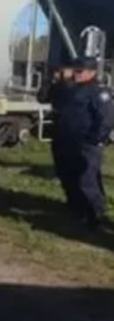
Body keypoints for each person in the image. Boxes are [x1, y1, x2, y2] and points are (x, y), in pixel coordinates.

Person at [53, 57, 111, 229]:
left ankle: (95, 214)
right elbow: (46, 98)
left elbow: (106, 118)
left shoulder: (98, 91)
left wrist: (95, 139)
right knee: (67, 174)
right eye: (74, 70)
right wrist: (58, 80)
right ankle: (76, 207)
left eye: (79, 71)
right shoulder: (69, 88)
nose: (75, 74)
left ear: (91, 72)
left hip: (86, 142)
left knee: (86, 178)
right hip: (66, 140)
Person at [37, 63, 75, 206]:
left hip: (71, 125)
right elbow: (42, 98)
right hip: (58, 123)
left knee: (70, 153)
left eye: (60, 71)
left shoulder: (74, 86)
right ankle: (60, 174)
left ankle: (70, 178)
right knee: (58, 151)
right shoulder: (56, 86)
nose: (57, 73)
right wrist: (48, 82)